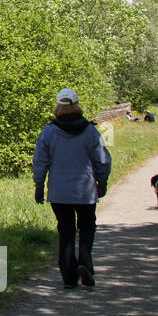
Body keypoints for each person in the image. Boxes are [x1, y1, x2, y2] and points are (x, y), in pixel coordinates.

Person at [33, 88, 112, 289]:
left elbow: (40, 161)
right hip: (85, 190)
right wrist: (101, 183)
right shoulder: (90, 131)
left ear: (58, 106)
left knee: (65, 231)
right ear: (77, 105)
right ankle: (85, 262)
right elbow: (102, 161)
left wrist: (39, 185)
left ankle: (69, 276)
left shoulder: (49, 132)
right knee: (87, 227)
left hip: (59, 192)